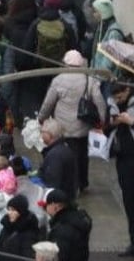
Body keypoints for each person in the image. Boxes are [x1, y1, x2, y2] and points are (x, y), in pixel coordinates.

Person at [38, 50, 106, 195]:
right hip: (84, 126)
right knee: (82, 155)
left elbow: (48, 103)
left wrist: (42, 118)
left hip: (64, 128)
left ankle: (72, 184)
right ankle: (82, 182)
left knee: (69, 156)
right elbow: (99, 101)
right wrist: (102, 120)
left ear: (65, 63)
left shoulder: (58, 80)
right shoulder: (90, 79)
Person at [109, 84, 134, 257]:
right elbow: (107, 125)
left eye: (119, 97)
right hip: (124, 158)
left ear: (126, 90)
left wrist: (130, 122)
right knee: (129, 201)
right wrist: (115, 121)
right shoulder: (117, 104)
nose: (118, 101)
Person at [42, 189, 91, 261]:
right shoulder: (76, 219)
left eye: (47, 205)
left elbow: (59, 256)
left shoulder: (62, 230)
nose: (46, 208)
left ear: (54, 206)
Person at [0, 194, 44, 261]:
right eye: (9, 209)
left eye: (13, 210)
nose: (9, 212)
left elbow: (27, 256)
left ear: (21, 211)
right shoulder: (6, 227)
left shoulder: (30, 232)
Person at [39, 118, 78, 199]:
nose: (41, 135)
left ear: (50, 134)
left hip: (59, 200)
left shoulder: (55, 155)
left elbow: (52, 182)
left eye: (42, 132)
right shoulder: (64, 148)